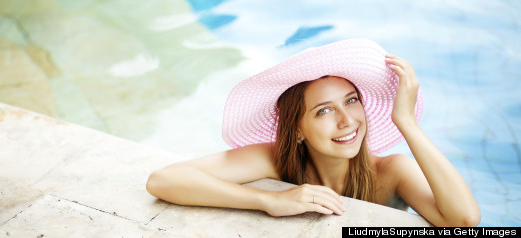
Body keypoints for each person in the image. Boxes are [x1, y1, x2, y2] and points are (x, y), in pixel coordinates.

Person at [146, 39, 480, 227]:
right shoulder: (276, 157)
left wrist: (406, 122)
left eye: (351, 102)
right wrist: (268, 200)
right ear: (298, 130)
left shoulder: (390, 171)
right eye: (324, 110)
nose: (347, 120)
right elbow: (164, 180)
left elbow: (464, 221)